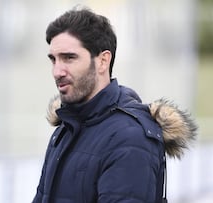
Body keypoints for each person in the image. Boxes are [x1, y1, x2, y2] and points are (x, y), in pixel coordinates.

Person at [33, 7, 197, 203]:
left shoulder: (130, 138)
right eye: (53, 59)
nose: (57, 71)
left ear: (103, 61)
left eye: (69, 58)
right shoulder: (65, 127)